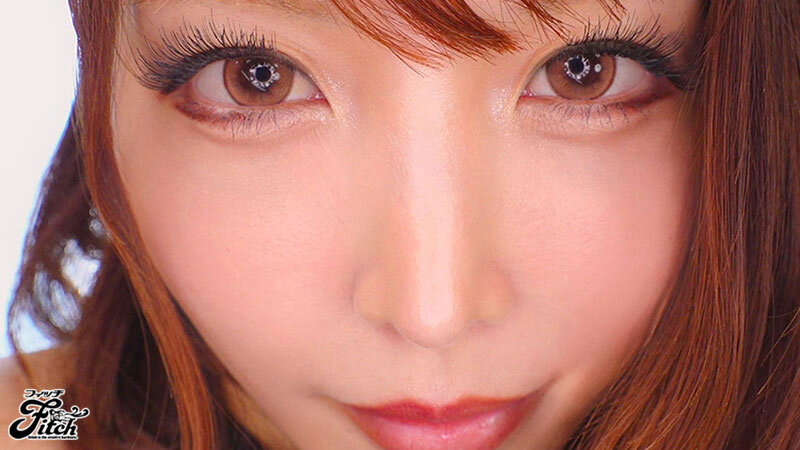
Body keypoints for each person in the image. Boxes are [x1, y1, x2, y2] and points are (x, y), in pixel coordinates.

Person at [2, 0, 799, 448]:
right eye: (258, 78)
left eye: (581, 74)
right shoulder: (45, 420)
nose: (432, 314)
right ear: (99, 94)